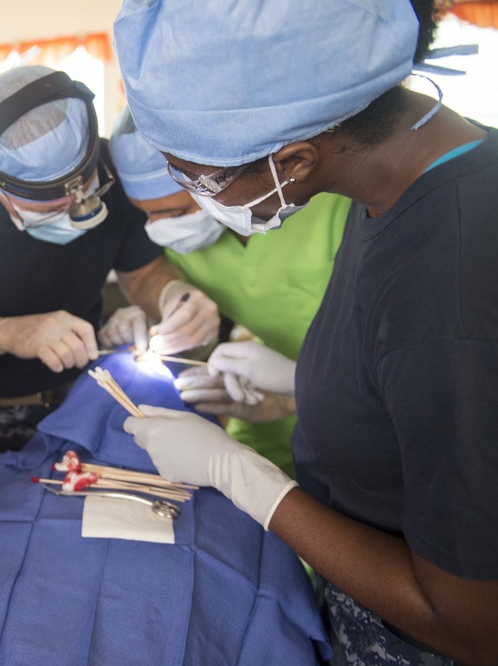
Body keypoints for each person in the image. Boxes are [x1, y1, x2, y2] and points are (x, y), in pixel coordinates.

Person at [114, 0, 498, 663]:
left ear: (291, 160)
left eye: (195, 176)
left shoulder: (451, 291)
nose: (191, 197)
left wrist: (241, 477)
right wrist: (302, 388)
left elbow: (470, 624)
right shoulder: (401, 183)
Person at [0, 65, 220, 483]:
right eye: (52, 208)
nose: (76, 211)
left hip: (88, 399)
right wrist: (9, 334)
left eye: (84, 192)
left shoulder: (111, 166)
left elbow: (144, 273)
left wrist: (174, 297)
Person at [104, 106, 352, 476]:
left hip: (365, 416)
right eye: (146, 215)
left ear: (214, 179)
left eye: (173, 212)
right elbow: (210, 328)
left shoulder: (333, 203)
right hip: (267, 422)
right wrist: (162, 316)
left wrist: (301, 385)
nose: (159, 230)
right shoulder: (184, 249)